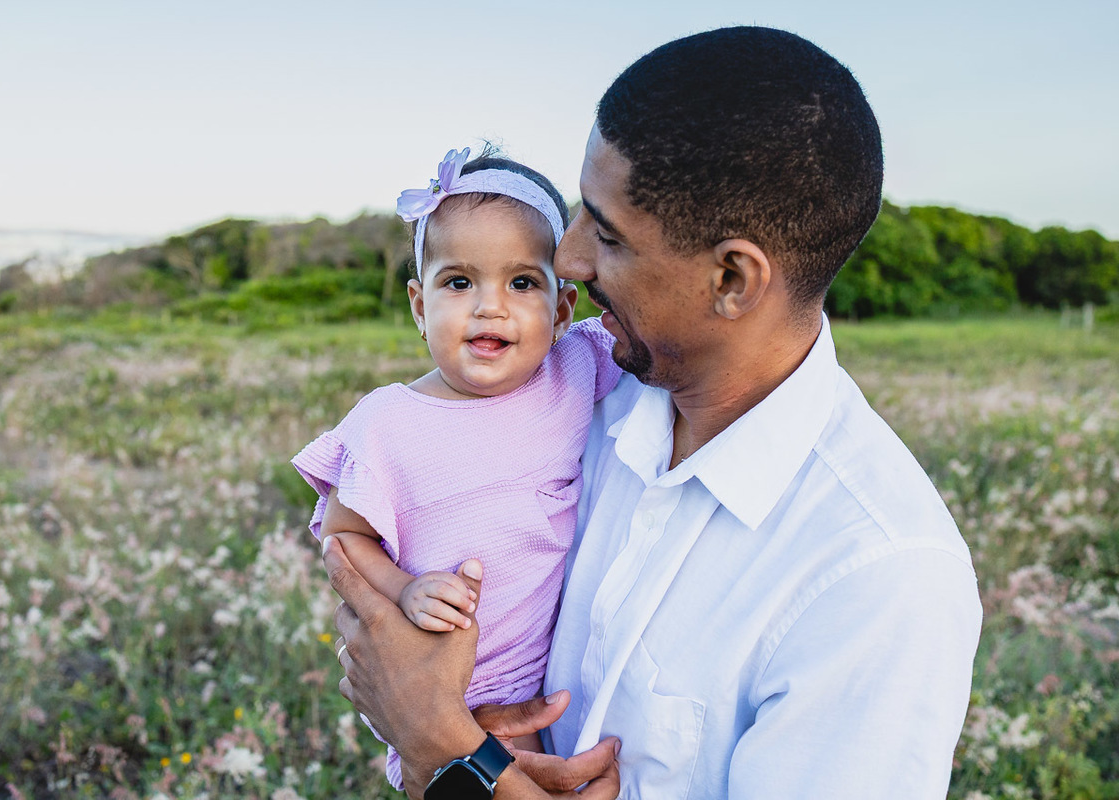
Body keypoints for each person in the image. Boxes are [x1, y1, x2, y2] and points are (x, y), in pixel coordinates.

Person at [325, 26, 983, 800]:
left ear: (732, 279)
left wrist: (448, 752)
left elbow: (436, 734)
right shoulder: (580, 398)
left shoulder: (878, 580)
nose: (567, 260)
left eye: (605, 233)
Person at [292, 147, 623, 791]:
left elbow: (673, 343)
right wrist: (403, 590)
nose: (489, 308)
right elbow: (344, 537)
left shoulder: (576, 367)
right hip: (442, 677)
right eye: (459, 282)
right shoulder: (387, 421)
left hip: (542, 676)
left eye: (522, 283)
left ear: (561, 310)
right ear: (420, 305)